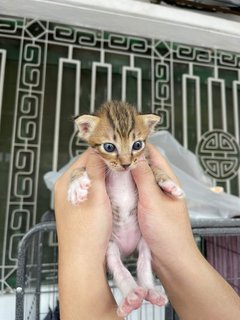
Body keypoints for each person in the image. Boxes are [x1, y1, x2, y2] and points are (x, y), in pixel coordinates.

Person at [54, 145, 240, 320]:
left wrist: (162, 179)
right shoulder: (101, 164)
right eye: (111, 147)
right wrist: (77, 181)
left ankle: (149, 288)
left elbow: (154, 171)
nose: (126, 159)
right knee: (114, 258)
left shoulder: (139, 160)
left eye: (135, 145)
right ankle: (129, 290)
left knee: (145, 252)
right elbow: (79, 173)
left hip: (138, 229)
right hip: (114, 234)